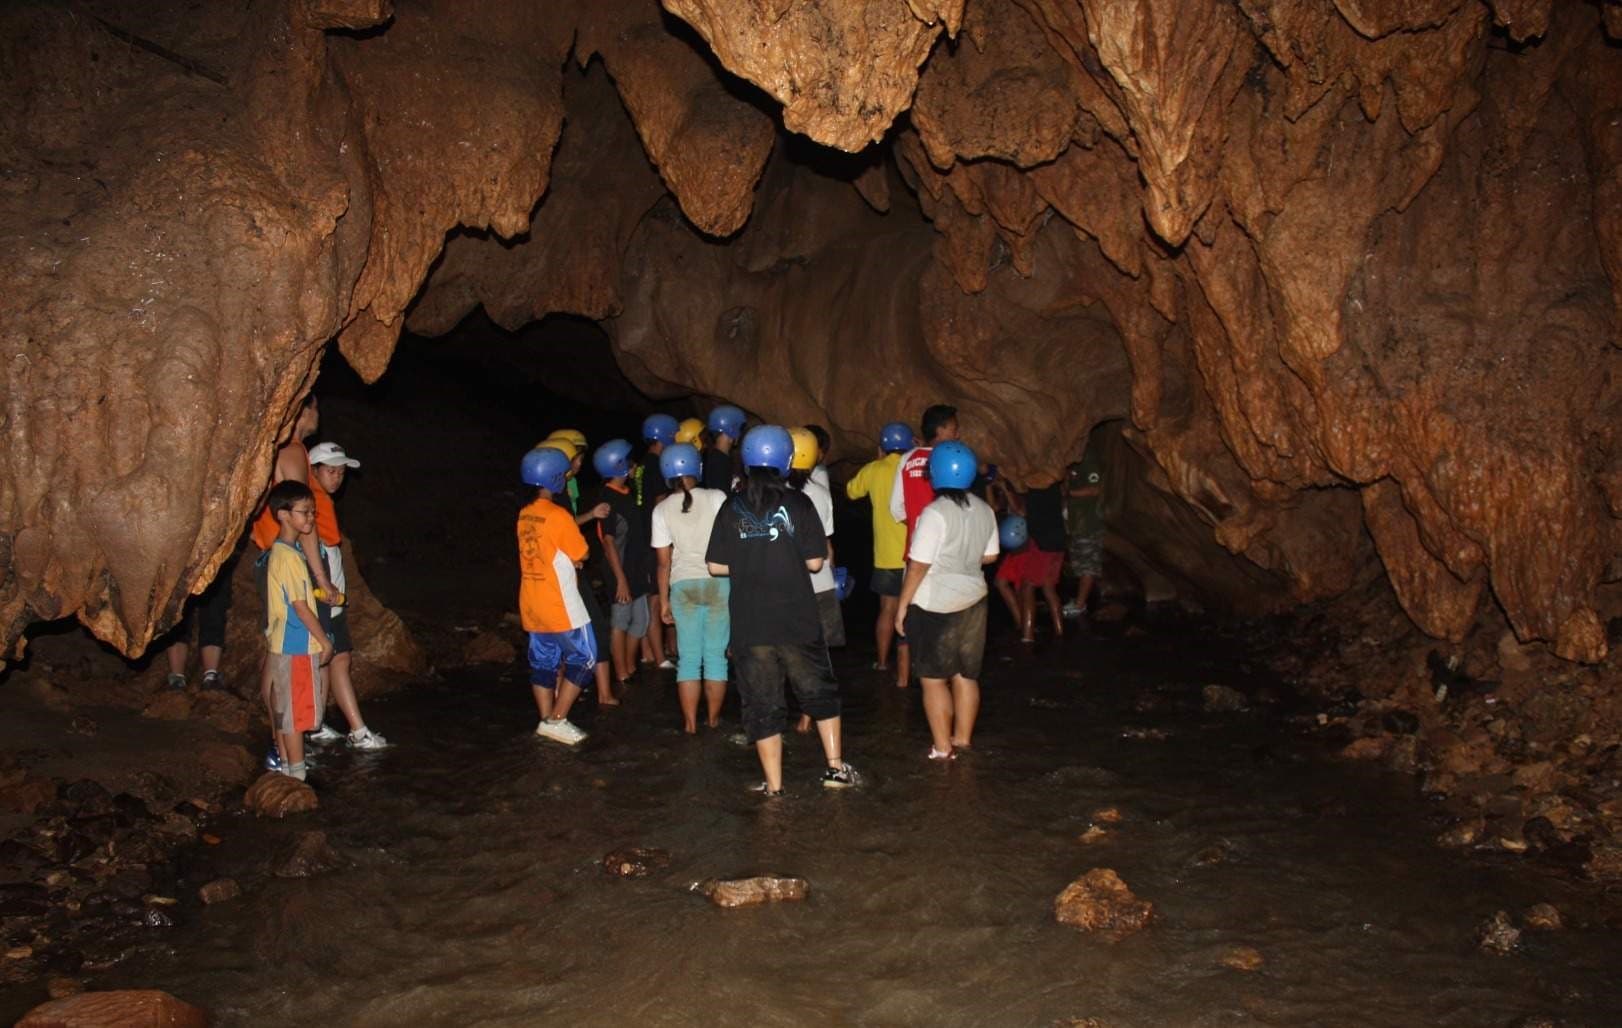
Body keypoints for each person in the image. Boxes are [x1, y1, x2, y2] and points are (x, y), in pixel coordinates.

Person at [705, 426, 857, 796]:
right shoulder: (799, 503)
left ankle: (774, 787)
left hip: (751, 623)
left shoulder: (732, 505)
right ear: (787, 462)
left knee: (762, 703)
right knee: (819, 691)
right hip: (797, 619)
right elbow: (817, 562)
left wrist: (748, 558)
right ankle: (835, 770)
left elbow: (714, 566)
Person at [895, 441, 999, 759]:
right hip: (974, 600)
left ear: (936, 473)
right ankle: (963, 740)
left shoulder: (934, 513)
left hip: (934, 604)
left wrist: (901, 607)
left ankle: (942, 749)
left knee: (933, 680)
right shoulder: (985, 510)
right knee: (966, 675)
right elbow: (991, 555)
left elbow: (918, 565)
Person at [302, 442, 388, 748]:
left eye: (340, 472)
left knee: (337, 659)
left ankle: (316, 724)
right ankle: (356, 730)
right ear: (313, 471)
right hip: (321, 596)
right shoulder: (308, 504)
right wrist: (322, 585)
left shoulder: (322, 503)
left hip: (331, 596)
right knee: (330, 658)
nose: (337, 478)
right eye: (331, 471)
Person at [517, 446, 595, 745]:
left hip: (532, 602)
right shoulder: (558, 515)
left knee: (543, 663)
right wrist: (574, 557)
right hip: (560, 603)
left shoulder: (524, 515)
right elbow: (583, 552)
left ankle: (547, 722)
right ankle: (557, 718)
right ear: (555, 479)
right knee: (584, 658)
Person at [651, 443, 730, 733]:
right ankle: (712, 719)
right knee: (715, 658)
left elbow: (663, 562)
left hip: (682, 586)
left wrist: (663, 601)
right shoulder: (716, 497)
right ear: (697, 468)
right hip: (717, 582)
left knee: (688, 660)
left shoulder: (660, 510)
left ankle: (690, 724)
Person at [257, 481, 332, 782]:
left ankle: (289, 770)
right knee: (297, 715)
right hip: (297, 643)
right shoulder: (288, 557)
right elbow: (300, 606)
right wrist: (323, 639)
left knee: (286, 711)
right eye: (304, 512)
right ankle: (297, 778)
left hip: (283, 641)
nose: (310, 518)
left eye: (312, 512)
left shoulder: (284, 551)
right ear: (283, 515)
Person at [543, 433, 617, 707]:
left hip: (556, 572)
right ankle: (601, 694)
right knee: (593, 628)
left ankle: (556, 701)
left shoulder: (554, 492)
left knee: (557, 637)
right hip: (567, 570)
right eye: (576, 458)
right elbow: (566, 527)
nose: (578, 464)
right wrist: (591, 516)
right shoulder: (557, 493)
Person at [846, 421, 913, 686]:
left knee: (887, 609)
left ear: (882, 447)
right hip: (914, 555)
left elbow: (851, 492)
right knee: (911, 611)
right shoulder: (911, 469)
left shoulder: (874, 469)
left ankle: (883, 662)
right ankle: (908, 669)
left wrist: (877, 464)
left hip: (885, 555)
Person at [591, 439, 656, 687]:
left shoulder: (626, 493)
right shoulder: (608, 498)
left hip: (636, 567)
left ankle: (629, 666)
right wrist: (620, 580)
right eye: (628, 461)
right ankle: (621, 672)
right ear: (617, 466)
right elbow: (608, 542)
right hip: (620, 571)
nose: (633, 465)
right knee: (621, 620)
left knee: (641, 621)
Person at [163, 544, 238, 691]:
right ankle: (177, 677)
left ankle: (210, 675)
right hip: (182, 549)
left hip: (216, 551)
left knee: (214, 608)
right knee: (178, 609)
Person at [1001, 478, 1066, 642]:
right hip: (1059, 541)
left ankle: (1027, 636)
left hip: (1042, 542)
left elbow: (1021, 511)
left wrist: (1006, 489)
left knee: (1028, 586)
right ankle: (1059, 631)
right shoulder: (1054, 485)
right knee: (1049, 589)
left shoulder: (1037, 486)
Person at [638, 415, 677, 669]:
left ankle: (648, 652)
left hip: (641, 538)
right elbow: (658, 503)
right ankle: (659, 658)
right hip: (652, 540)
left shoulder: (643, 464)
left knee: (648, 598)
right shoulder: (654, 465)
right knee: (654, 600)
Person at [1063, 445, 1105, 620]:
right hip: (1077, 523)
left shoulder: (1088, 460)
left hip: (1088, 523)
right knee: (1080, 563)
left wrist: (1069, 493)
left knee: (1087, 563)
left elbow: (1095, 489)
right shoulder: (1073, 463)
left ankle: (1080, 605)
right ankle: (1080, 599)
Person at [703, 404, 745, 493]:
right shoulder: (719, 462)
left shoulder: (720, 458)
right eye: (738, 428)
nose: (739, 433)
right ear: (731, 429)